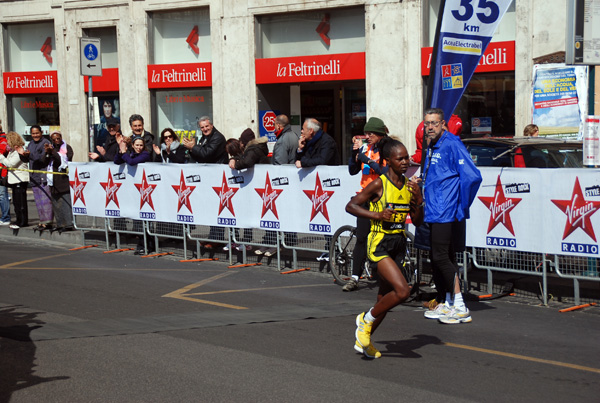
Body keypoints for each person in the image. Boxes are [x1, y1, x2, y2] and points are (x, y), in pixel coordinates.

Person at [348, 139, 424, 359]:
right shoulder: (379, 184)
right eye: (399, 158)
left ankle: (364, 340)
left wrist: (418, 199)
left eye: (406, 157)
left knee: (384, 297)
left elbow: (418, 222)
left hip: (398, 244)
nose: (405, 162)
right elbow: (351, 205)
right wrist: (377, 215)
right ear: (388, 161)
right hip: (379, 243)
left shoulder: (410, 185)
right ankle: (365, 321)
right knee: (403, 291)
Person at [419, 108, 482, 324]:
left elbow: (472, 177)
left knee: (440, 257)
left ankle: (460, 305)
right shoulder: (431, 145)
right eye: (427, 123)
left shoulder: (452, 143)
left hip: (445, 210)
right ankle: (448, 302)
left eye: (434, 123)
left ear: (443, 124)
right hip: (433, 209)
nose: (430, 127)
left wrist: (460, 205)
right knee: (443, 257)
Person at [343, 117, 389, 292]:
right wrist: (354, 154)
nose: (367, 136)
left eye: (370, 134)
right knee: (362, 237)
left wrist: (368, 160)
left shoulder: (386, 148)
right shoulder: (366, 148)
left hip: (381, 198)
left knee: (383, 237)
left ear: (379, 133)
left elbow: (385, 171)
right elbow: (353, 170)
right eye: (366, 133)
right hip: (365, 197)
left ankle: (382, 273)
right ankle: (355, 277)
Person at [296, 118, 340, 261]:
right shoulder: (309, 142)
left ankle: (335, 249)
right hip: (316, 187)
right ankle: (329, 248)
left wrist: (303, 162)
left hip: (329, 186)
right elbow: (302, 160)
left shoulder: (327, 142)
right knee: (323, 219)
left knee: (331, 219)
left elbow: (322, 160)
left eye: (303, 129)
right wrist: (300, 149)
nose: (301, 131)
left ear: (311, 131)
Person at [182, 116, 228, 249]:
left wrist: (194, 147)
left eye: (207, 126)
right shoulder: (203, 138)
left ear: (212, 125)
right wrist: (192, 148)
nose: (205, 129)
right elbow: (200, 156)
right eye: (202, 127)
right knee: (212, 209)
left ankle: (216, 239)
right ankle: (213, 237)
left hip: (218, 177)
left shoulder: (218, 137)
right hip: (209, 177)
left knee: (218, 208)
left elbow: (207, 154)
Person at [227, 128, 269, 252]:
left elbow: (247, 162)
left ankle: (268, 242)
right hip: (258, 186)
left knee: (266, 213)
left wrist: (236, 164)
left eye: (241, 140)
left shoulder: (253, 149)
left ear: (244, 142)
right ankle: (267, 241)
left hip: (259, 186)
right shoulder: (256, 148)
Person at [42, 131, 74, 233]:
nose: (56, 141)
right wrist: (47, 152)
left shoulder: (67, 148)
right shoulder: (51, 148)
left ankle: (68, 224)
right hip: (53, 180)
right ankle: (60, 223)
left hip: (63, 179)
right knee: (56, 203)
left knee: (65, 201)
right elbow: (44, 161)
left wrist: (53, 153)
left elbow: (62, 160)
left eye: (58, 138)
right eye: (54, 139)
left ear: (61, 138)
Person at [25, 125, 54, 231]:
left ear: (41, 132)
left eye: (37, 133)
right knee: (38, 201)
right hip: (34, 176)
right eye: (33, 133)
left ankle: (48, 222)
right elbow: (27, 159)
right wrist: (23, 155)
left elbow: (42, 159)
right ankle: (42, 221)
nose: (35, 135)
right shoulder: (30, 144)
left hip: (43, 175)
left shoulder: (45, 143)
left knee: (45, 200)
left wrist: (29, 155)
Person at [0, 132, 30, 229]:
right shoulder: (12, 151)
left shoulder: (18, 151)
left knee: (20, 202)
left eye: (8, 141)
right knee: (16, 202)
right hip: (14, 180)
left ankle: (22, 221)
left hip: (20, 179)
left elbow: (11, 164)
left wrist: (1, 157)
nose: (7, 143)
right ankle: (18, 220)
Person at [0, 123, 11, 225]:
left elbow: (2, 152)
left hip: (1, 172)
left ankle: (6, 217)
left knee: (2, 195)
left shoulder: (3, 140)